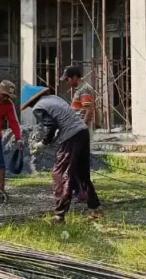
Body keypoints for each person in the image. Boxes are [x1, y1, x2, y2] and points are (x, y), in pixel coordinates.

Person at [21, 84, 101, 223]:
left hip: (71, 137)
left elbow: (51, 126)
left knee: (60, 174)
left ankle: (59, 216)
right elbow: (62, 120)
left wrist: (43, 143)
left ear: (31, 102)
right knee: (82, 174)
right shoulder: (54, 98)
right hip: (82, 131)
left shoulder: (38, 107)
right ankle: (96, 209)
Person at [61, 65, 95, 201]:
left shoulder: (84, 89)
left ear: (75, 77)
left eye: (68, 79)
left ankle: (81, 192)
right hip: (76, 130)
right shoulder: (79, 90)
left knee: (77, 162)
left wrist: (82, 128)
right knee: (75, 162)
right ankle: (78, 191)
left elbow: (89, 111)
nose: (67, 82)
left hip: (79, 131)